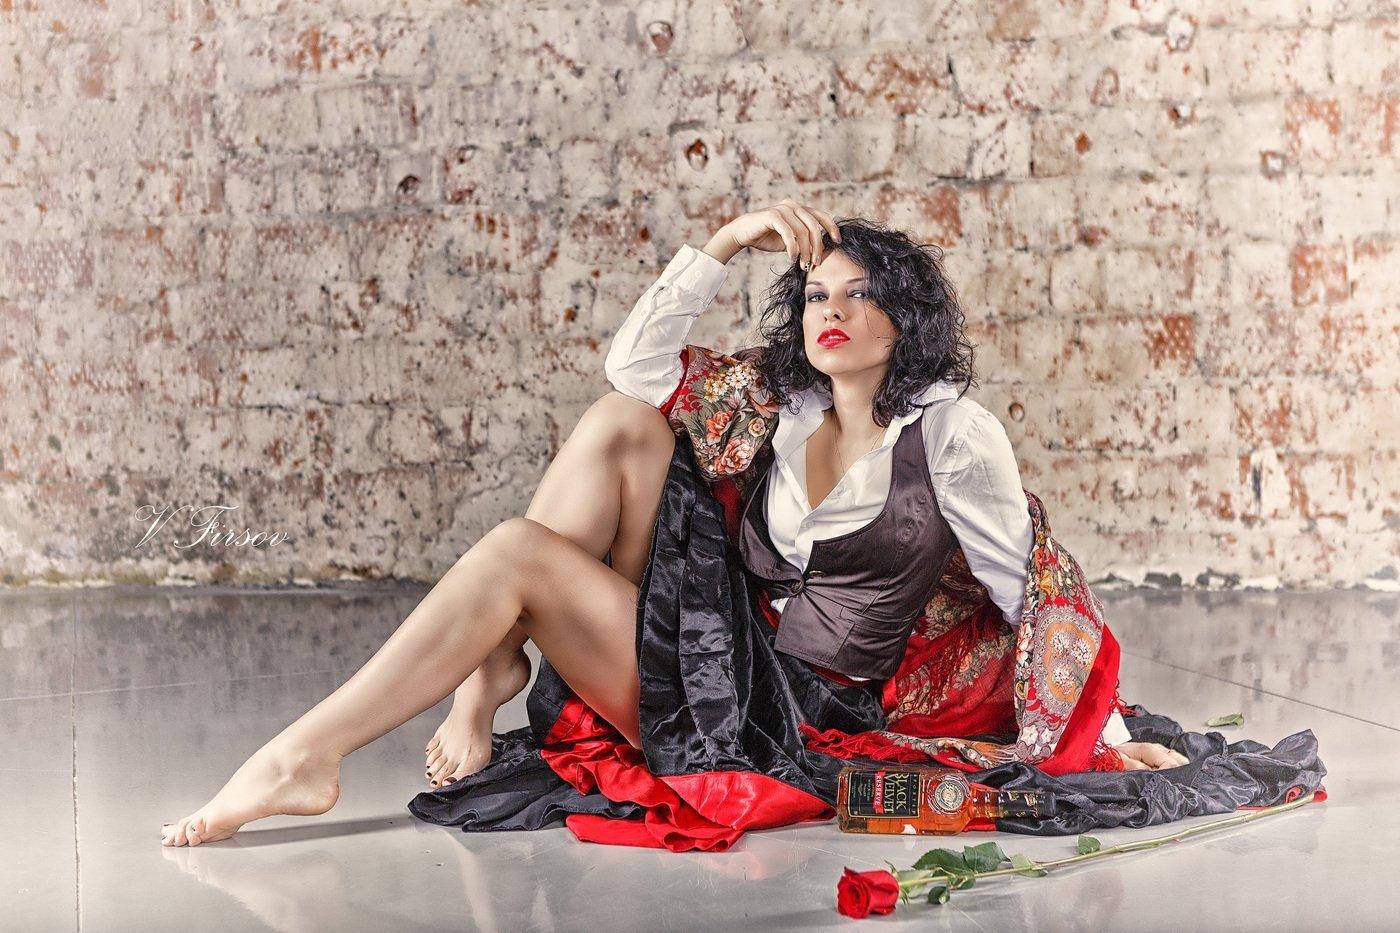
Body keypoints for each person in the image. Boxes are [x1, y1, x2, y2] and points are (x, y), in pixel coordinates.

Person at [159, 199, 1185, 848]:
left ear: (904, 319)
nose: (828, 313)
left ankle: (314, 753)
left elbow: (1032, 590)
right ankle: (479, 679)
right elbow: (634, 369)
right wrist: (728, 240)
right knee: (622, 422)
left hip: (787, 714)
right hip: (718, 642)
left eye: (857, 296)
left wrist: (1108, 732)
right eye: (813, 295)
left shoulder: (954, 435)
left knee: (516, 551)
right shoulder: (782, 400)